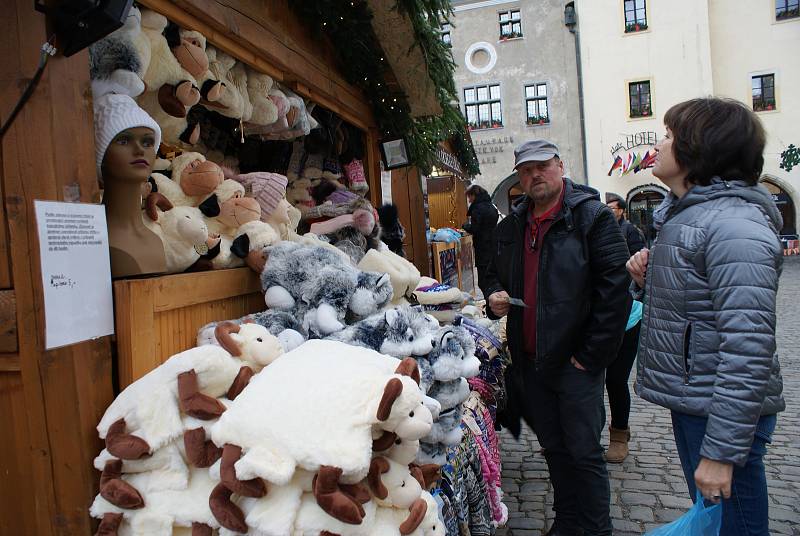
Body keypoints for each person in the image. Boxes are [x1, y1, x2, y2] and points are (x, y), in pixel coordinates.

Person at [626, 97, 784, 536]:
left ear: (699, 148)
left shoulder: (734, 224)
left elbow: (748, 347)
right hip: (700, 398)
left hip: (719, 407)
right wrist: (648, 276)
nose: (659, 143)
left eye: (670, 135)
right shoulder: (692, 215)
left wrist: (722, 452)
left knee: (736, 527)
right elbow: (699, 304)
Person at [484, 139, 630, 536]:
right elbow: (494, 273)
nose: (534, 176)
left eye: (542, 166)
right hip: (531, 362)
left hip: (575, 362)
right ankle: (567, 523)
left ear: (560, 166)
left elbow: (615, 290)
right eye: (526, 171)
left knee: (584, 453)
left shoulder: (592, 217)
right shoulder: (512, 224)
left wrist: (591, 355)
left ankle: (597, 530)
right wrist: (494, 296)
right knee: (554, 449)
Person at [603, 193, 646, 463]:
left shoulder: (629, 234)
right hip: (590, 321)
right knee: (585, 380)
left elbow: (638, 274)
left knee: (615, 379)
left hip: (626, 317)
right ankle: (578, 435)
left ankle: (620, 434)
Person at [463, 184, 499, 296]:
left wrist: (465, 226)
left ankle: (490, 304)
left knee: (483, 281)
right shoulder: (491, 205)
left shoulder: (477, 208)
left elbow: (475, 228)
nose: (469, 200)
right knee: (492, 278)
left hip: (483, 248)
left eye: (469, 197)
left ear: (474, 195)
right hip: (493, 246)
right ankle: (492, 302)